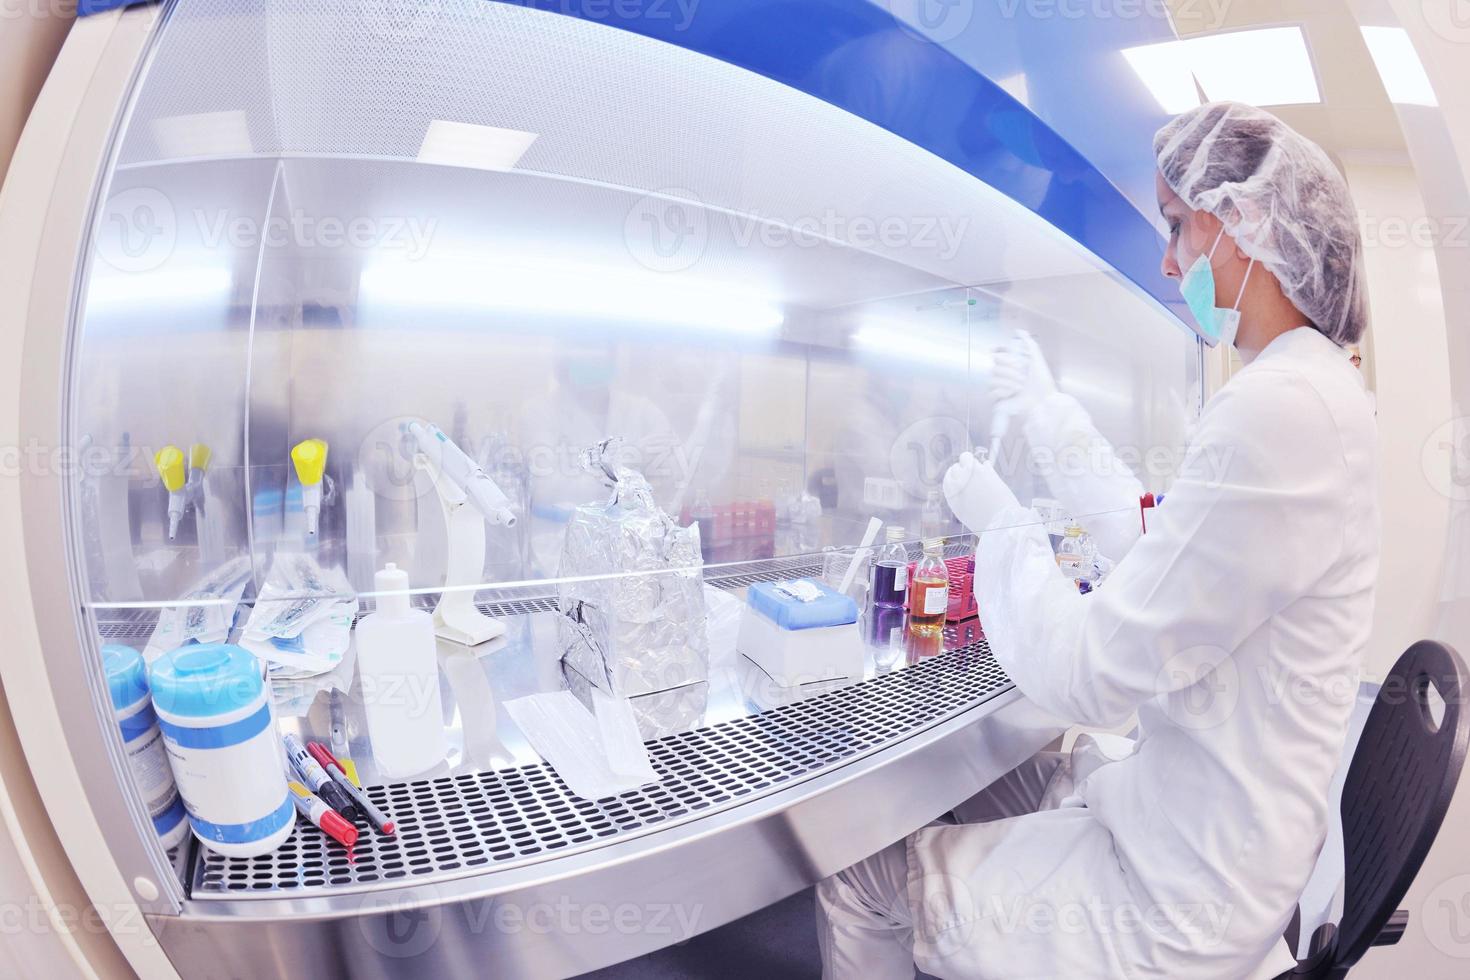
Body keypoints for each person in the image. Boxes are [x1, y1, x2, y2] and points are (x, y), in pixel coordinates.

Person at [816, 101, 1378, 979]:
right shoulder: (1299, 394)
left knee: (859, 879)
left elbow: (1089, 674)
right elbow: (1158, 536)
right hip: (1211, 833)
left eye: (1177, 227)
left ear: (1245, 221)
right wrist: (1048, 414)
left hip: (1180, 898)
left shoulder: (1283, 411)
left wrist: (1004, 523)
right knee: (1013, 787)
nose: (1166, 260)